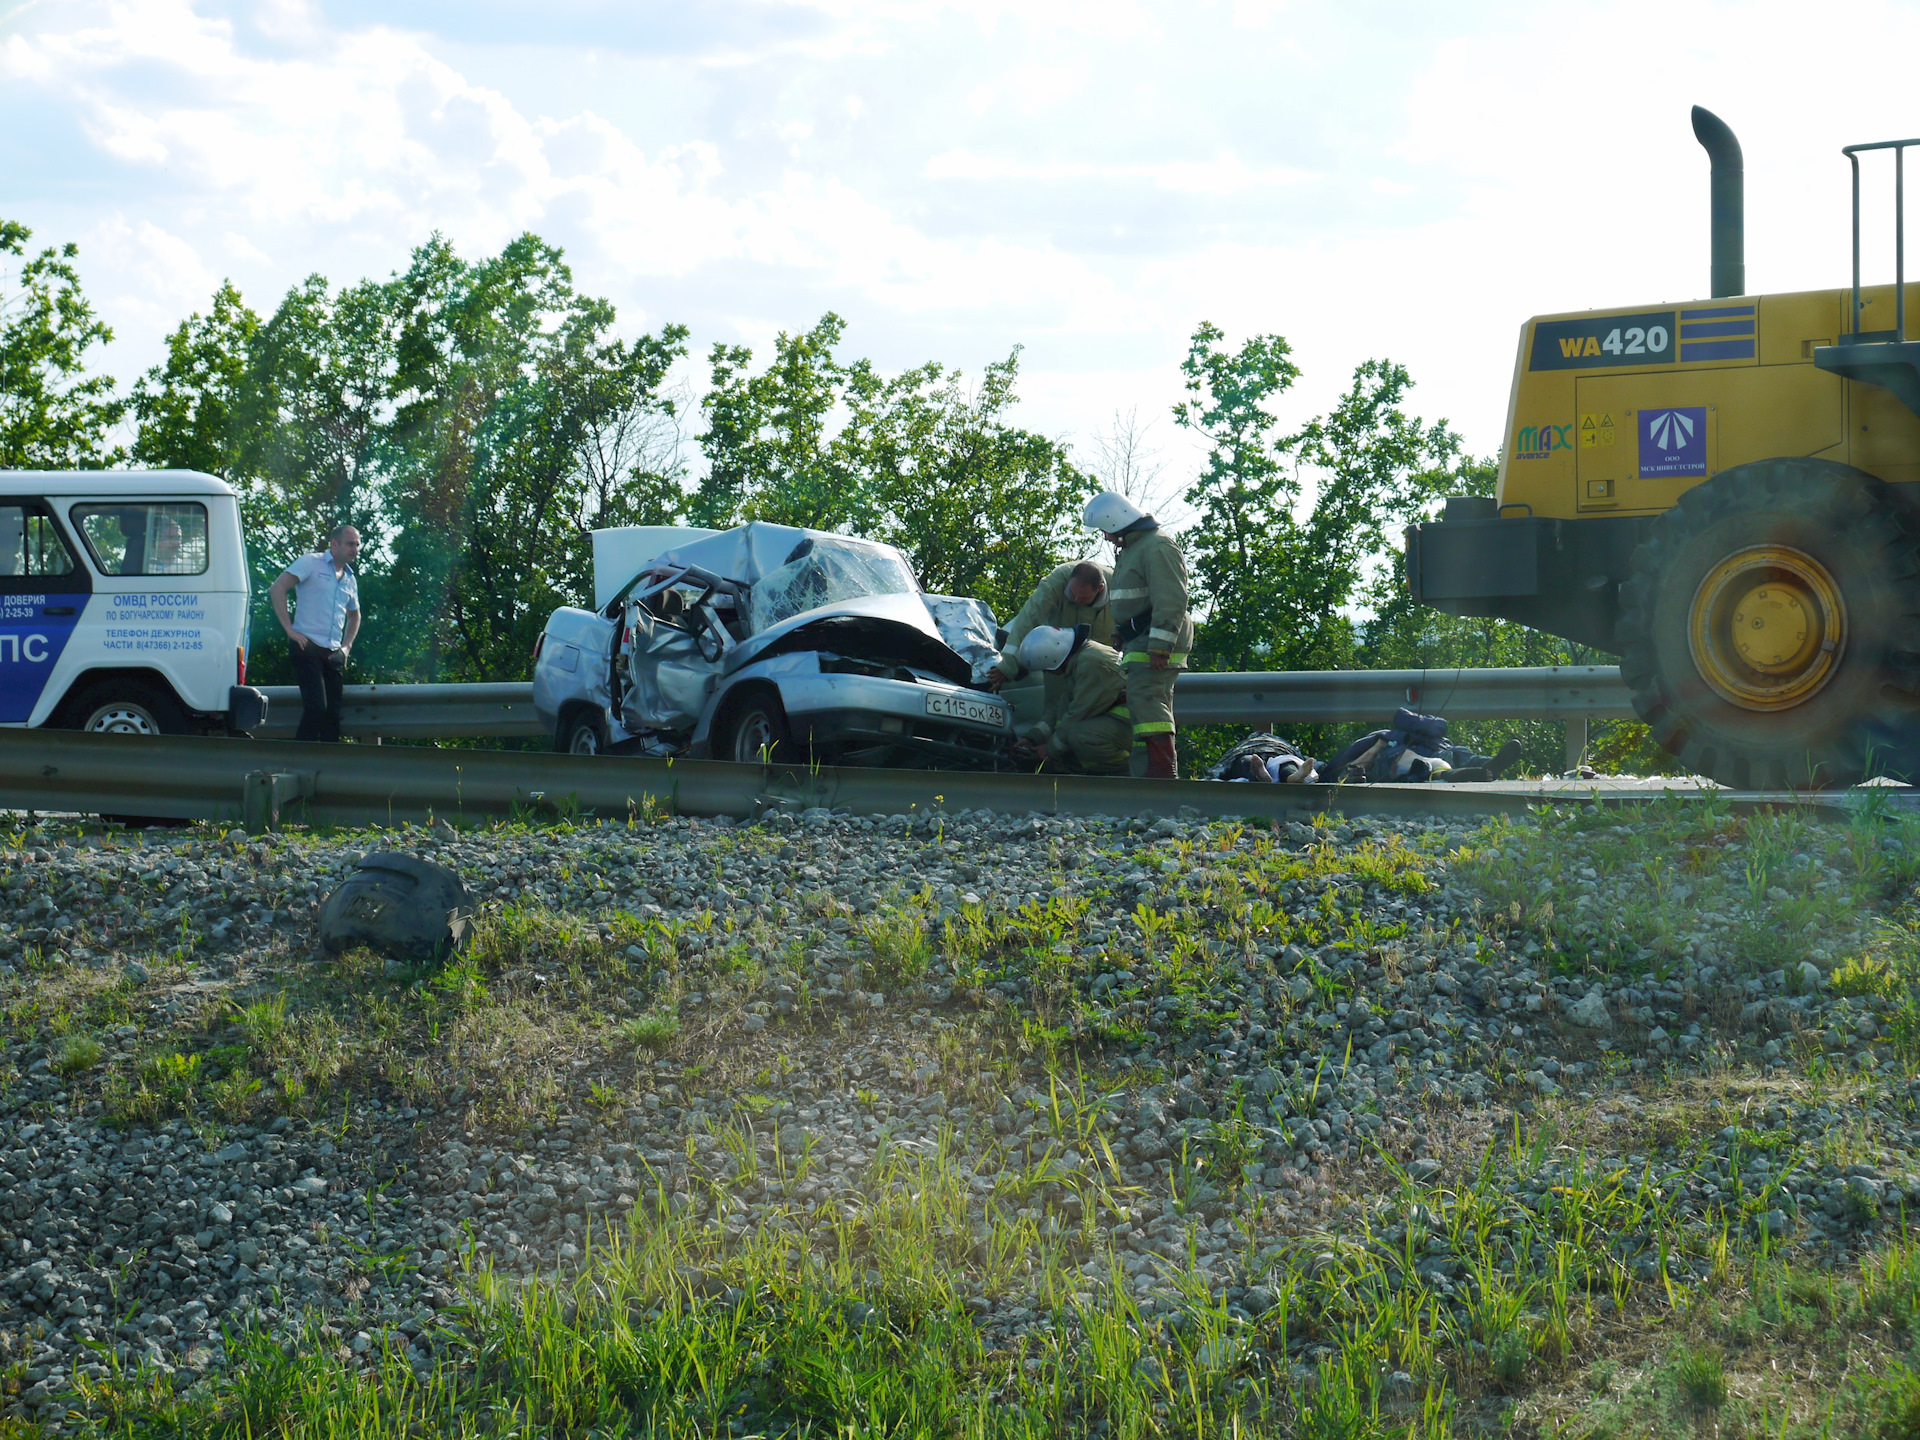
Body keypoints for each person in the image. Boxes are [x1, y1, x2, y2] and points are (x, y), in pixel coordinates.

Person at [1082, 491, 1190, 779]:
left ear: (1116, 522)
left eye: (1106, 530)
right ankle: (1153, 774)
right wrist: (1120, 632)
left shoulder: (1157, 547)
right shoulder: (1135, 549)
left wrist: (1160, 646)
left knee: (1146, 698)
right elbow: (1132, 600)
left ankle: (1164, 771)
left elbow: (1171, 599)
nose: (1105, 536)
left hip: (1156, 638)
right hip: (1142, 636)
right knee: (1145, 701)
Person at [269, 524, 362, 743]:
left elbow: (355, 616)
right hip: (306, 645)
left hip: (333, 652)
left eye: (357, 545)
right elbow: (277, 588)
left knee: (332, 718)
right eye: (350, 544)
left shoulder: (350, 578)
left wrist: (346, 647)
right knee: (316, 709)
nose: (355, 549)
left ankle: (328, 771)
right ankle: (299, 762)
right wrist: (289, 630)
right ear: (334, 544)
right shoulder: (311, 562)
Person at [1010, 625, 1132, 774]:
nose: (1047, 673)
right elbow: (1061, 710)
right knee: (1070, 736)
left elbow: (1077, 715)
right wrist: (1032, 738)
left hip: (1133, 724)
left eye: (1046, 669)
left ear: (1054, 658)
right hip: (1125, 724)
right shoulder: (1080, 660)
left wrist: (1050, 750)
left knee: (1080, 736)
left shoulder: (1090, 664)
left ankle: (1126, 772)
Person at [986, 560, 1111, 702]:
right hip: (1058, 657)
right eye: (1072, 593)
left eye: (1083, 598)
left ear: (1100, 589)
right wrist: (1007, 666)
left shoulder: (1119, 586)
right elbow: (1027, 620)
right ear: (1069, 581)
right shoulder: (1055, 582)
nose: (1076, 600)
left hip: (1099, 667)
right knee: (1056, 700)